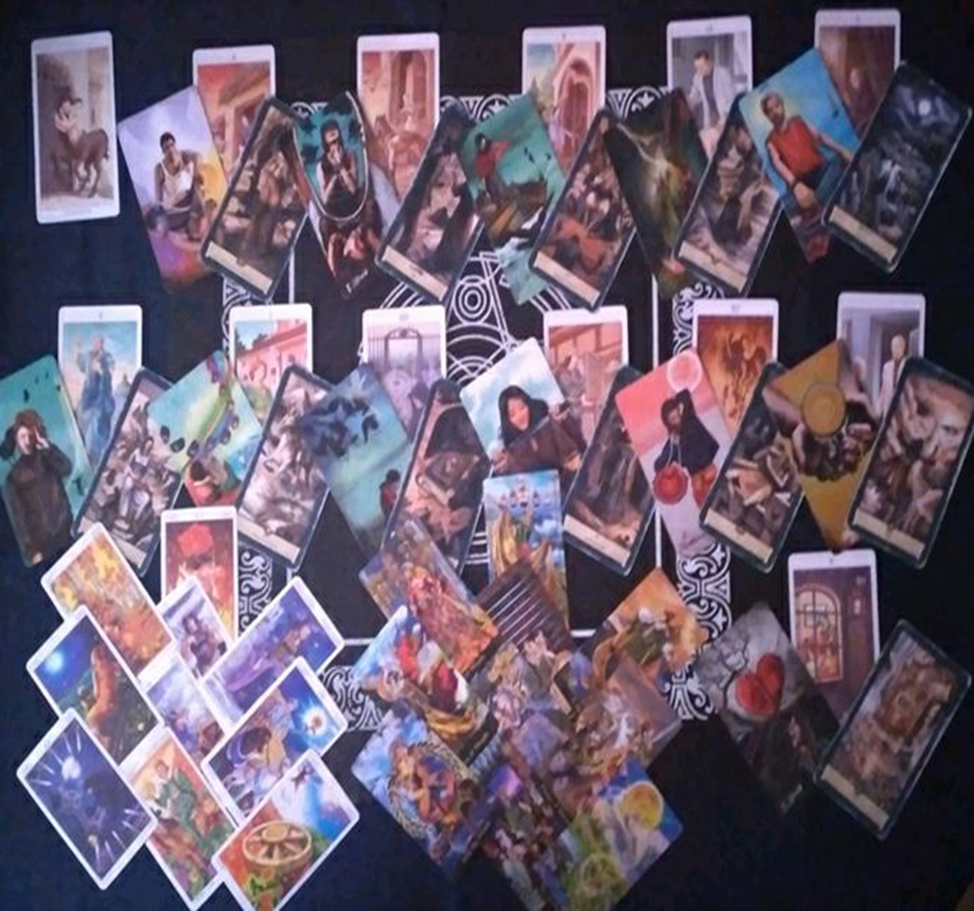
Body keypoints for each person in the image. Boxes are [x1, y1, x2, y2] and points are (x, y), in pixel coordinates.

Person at [760, 92, 853, 213]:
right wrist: (795, 185)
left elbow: (820, 137)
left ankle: (818, 197)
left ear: (782, 105)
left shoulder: (798, 121)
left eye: (776, 106)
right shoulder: (770, 141)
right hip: (801, 183)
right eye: (770, 111)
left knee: (840, 160)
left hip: (822, 172)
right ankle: (820, 198)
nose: (775, 112)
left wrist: (842, 150)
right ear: (767, 116)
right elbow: (778, 164)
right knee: (783, 205)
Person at [0, 409, 73, 564]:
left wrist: (48, 448)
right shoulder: (13, 479)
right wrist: (30, 552)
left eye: (30, 435)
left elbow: (66, 468)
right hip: (44, 548)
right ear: (16, 439)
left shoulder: (47, 458)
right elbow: (19, 519)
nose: (27, 441)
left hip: (66, 533)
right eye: (22, 436)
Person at [494, 386, 584, 488]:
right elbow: (519, 486)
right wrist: (505, 470)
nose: (520, 416)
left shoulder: (548, 423)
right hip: (543, 495)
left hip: (573, 484)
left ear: (528, 405)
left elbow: (574, 453)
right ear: (507, 420)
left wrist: (565, 421)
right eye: (512, 414)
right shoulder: (511, 453)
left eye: (522, 408)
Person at [653, 389, 720, 507]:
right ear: (668, 423)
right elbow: (658, 464)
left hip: (709, 465)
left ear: (680, 411)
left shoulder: (689, 417)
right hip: (696, 475)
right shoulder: (674, 442)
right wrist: (673, 445)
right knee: (698, 486)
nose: (677, 420)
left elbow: (684, 394)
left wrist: (678, 404)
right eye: (673, 419)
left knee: (711, 476)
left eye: (677, 415)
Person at [153, 132, 204, 238]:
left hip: (192, 200)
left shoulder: (185, 156)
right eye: (166, 148)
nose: (170, 150)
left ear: (175, 145)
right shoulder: (159, 169)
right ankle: (188, 226)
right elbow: (158, 198)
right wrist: (160, 217)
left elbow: (198, 156)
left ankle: (193, 221)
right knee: (161, 226)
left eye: (172, 145)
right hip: (177, 208)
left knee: (198, 185)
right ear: (163, 151)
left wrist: (196, 172)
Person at [75, 334, 115, 462]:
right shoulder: (88, 355)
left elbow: (110, 372)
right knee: (82, 417)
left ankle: (97, 453)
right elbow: (80, 364)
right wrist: (77, 348)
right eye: (96, 343)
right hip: (89, 394)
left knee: (98, 421)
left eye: (100, 343)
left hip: (102, 396)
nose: (98, 345)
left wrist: (102, 370)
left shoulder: (107, 357)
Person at [687, 50, 735, 141]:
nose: (699, 70)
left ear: (710, 62)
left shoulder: (723, 74)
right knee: (709, 140)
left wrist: (725, 116)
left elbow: (732, 98)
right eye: (697, 68)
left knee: (727, 139)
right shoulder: (697, 77)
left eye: (702, 67)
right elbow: (695, 95)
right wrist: (688, 101)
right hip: (710, 116)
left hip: (725, 114)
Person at [316, 120, 359, 219]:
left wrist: (341, 166)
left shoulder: (350, 155)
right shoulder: (320, 165)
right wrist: (335, 174)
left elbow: (353, 189)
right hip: (334, 207)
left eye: (337, 141)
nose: (335, 146)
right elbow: (325, 199)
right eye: (332, 143)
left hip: (351, 201)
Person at [878, 334, 908, 417]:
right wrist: (877, 411)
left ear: (903, 348)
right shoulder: (886, 367)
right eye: (893, 347)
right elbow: (883, 392)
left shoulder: (908, 365)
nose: (895, 350)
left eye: (897, 346)